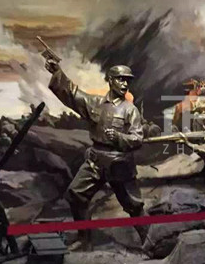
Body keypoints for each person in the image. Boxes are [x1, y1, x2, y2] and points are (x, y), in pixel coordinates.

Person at [45, 58, 145, 251]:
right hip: (96, 160)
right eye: (120, 79)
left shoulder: (130, 110)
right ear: (110, 80)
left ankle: (150, 241)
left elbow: (137, 139)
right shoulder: (95, 103)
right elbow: (72, 93)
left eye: (127, 80)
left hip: (119, 162)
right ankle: (84, 239)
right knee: (76, 194)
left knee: (133, 205)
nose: (125, 84)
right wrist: (57, 72)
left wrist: (119, 137)